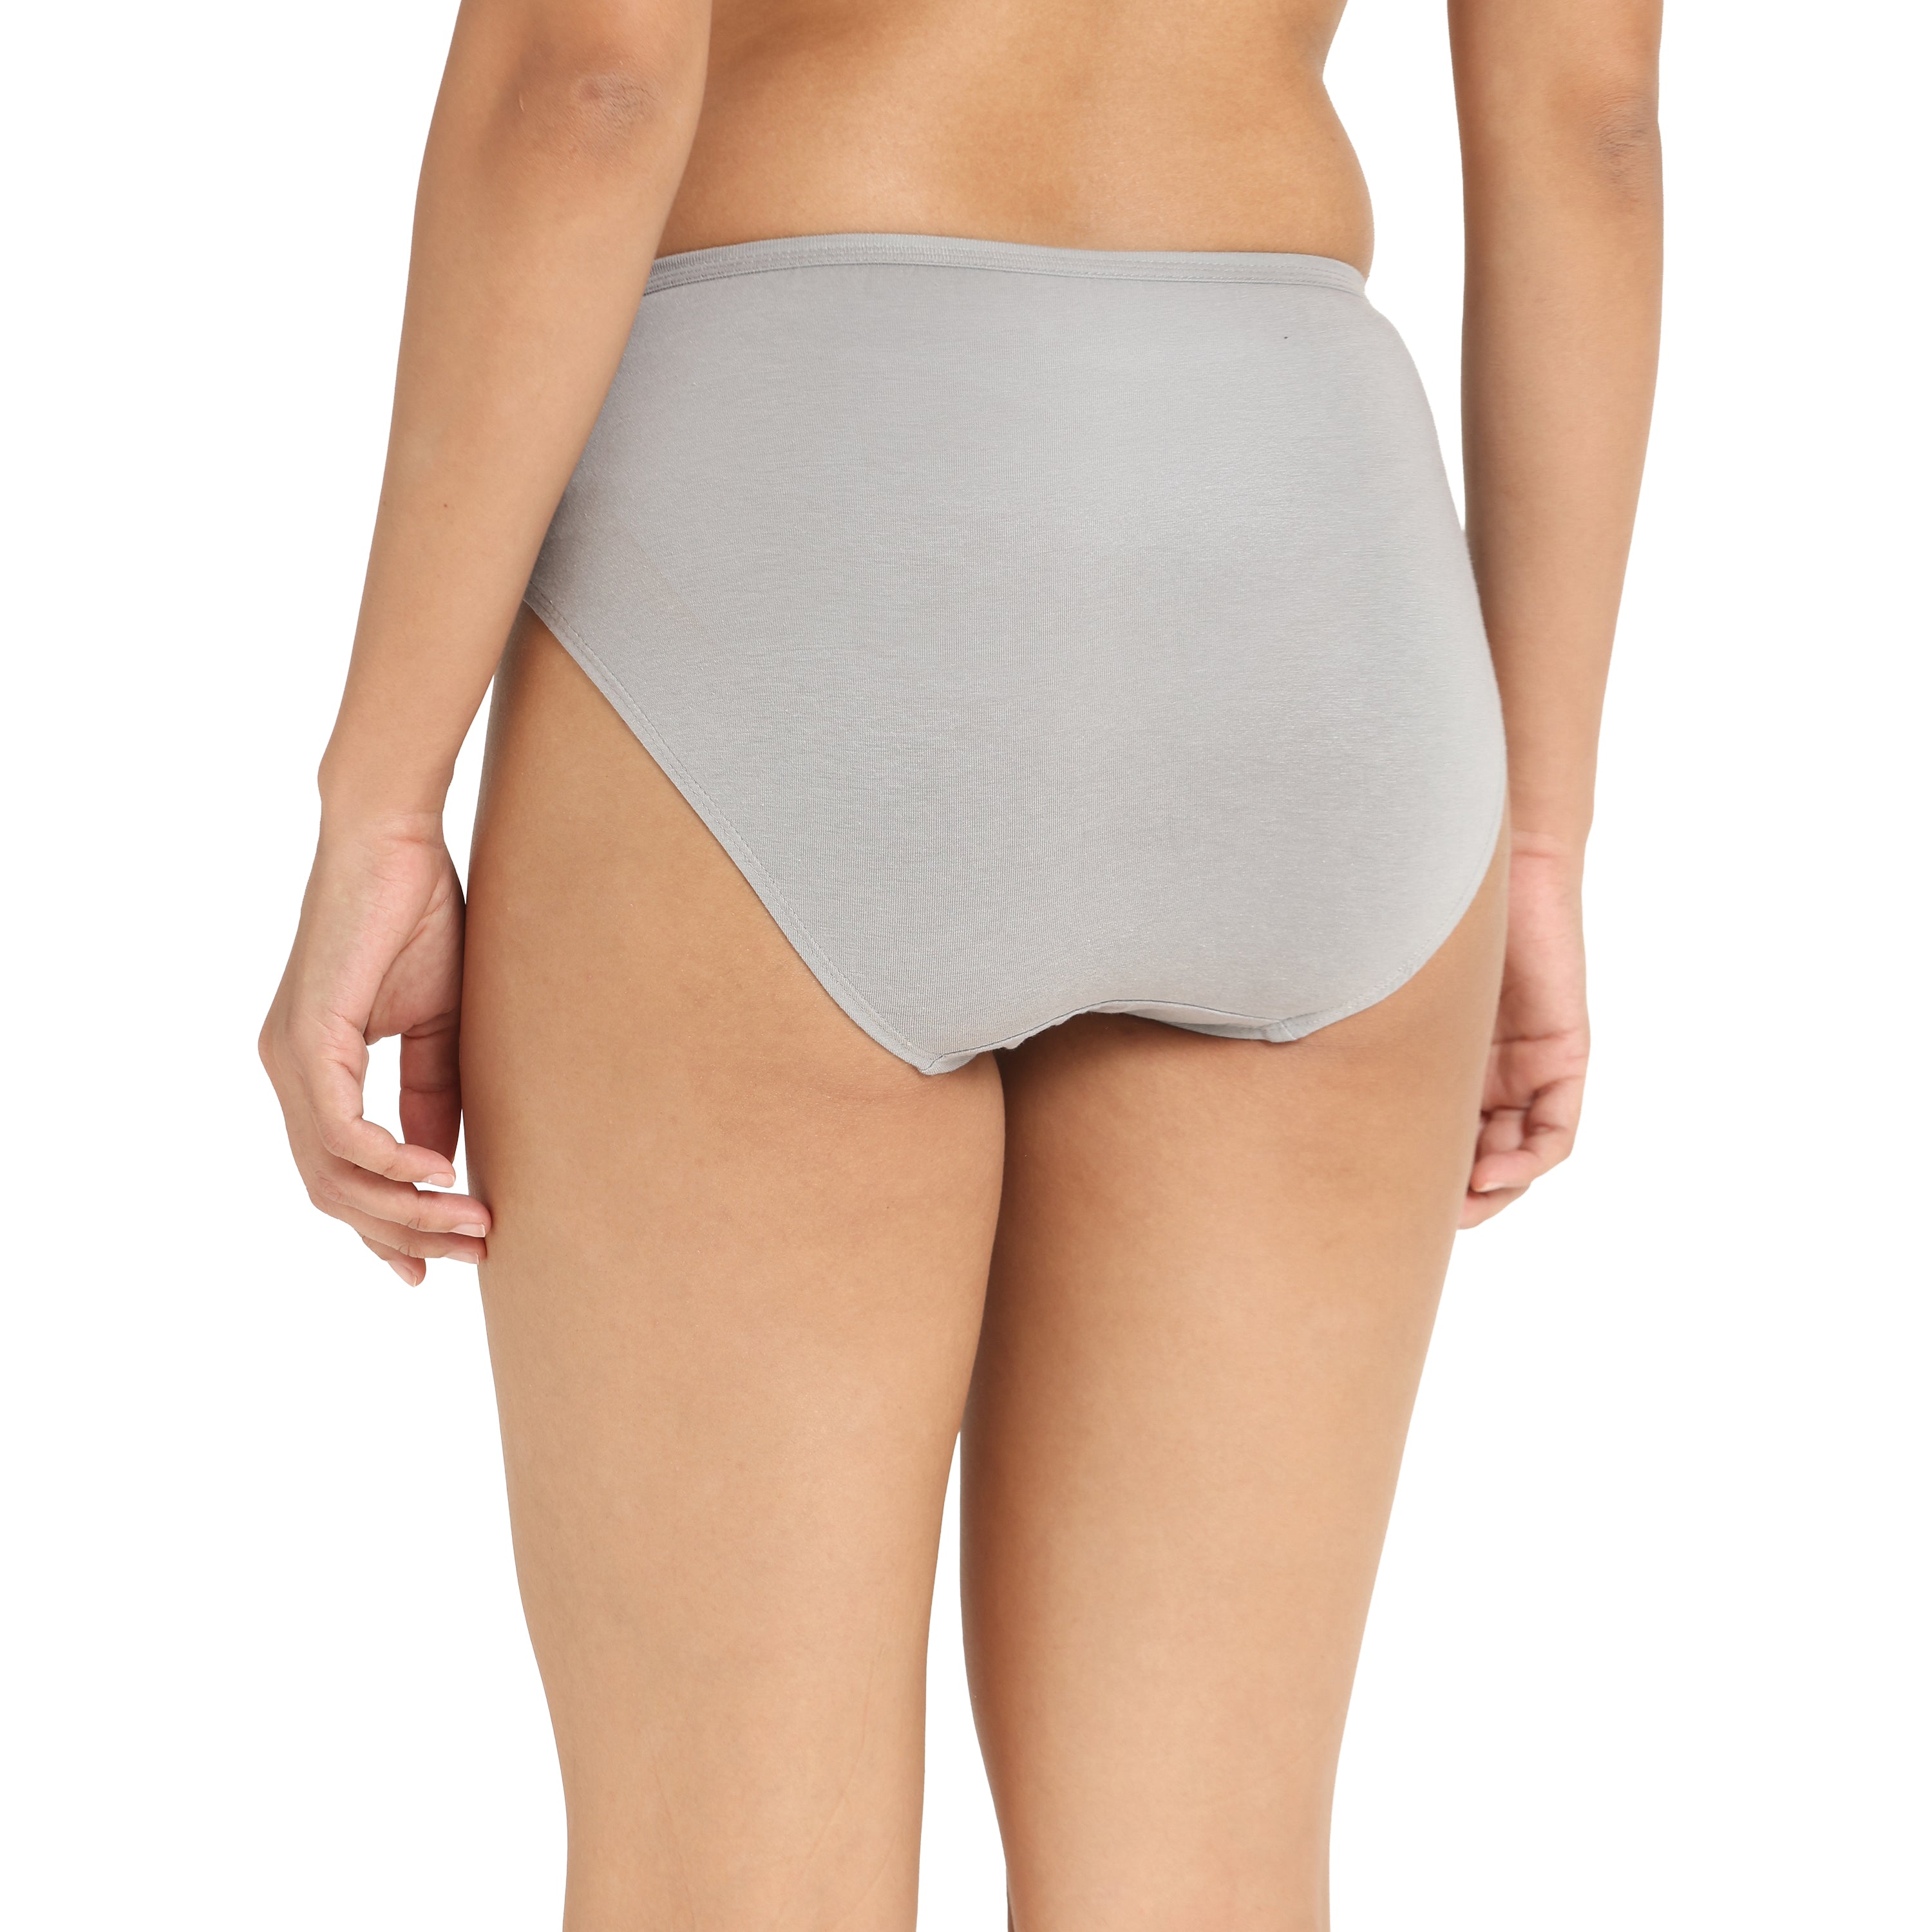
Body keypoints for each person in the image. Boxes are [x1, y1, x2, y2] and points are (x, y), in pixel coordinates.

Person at [261, 0, 1661, 1922]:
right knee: (1205, 1879)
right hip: (1306, 553)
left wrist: (382, 797)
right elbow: (1592, 126)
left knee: (722, 1874)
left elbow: (585, 77)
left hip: (797, 511)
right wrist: (1539, 838)